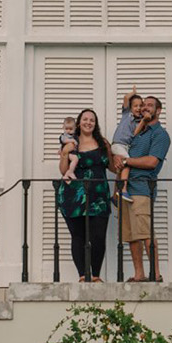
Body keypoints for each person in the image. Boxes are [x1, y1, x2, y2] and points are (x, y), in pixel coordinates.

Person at [56, 108, 115, 282]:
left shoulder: (103, 143)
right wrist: (65, 152)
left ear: (95, 124)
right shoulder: (71, 142)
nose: (88, 122)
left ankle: (95, 275)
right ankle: (82, 275)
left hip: (99, 196)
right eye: (85, 119)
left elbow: (111, 167)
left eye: (92, 120)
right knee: (78, 236)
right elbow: (63, 170)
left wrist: (122, 161)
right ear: (79, 122)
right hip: (73, 195)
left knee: (98, 236)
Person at [120, 96, 170, 282]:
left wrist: (126, 161)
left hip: (142, 188)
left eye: (150, 105)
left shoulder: (160, 134)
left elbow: (151, 161)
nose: (145, 108)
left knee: (146, 233)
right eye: (144, 105)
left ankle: (155, 274)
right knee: (132, 235)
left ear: (158, 111)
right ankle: (139, 274)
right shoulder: (137, 131)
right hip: (126, 188)